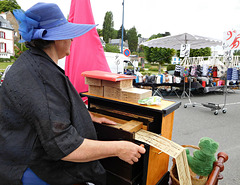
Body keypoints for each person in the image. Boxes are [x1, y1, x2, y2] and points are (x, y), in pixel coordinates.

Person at [0, 3, 145, 185]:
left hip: (19, 157)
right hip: (31, 170)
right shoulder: (41, 75)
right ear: (56, 38)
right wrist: (118, 148)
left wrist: (86, 116)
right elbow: (64, 146)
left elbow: (45, 111)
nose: (72, 39)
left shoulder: (32, 63)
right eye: (68, 34)